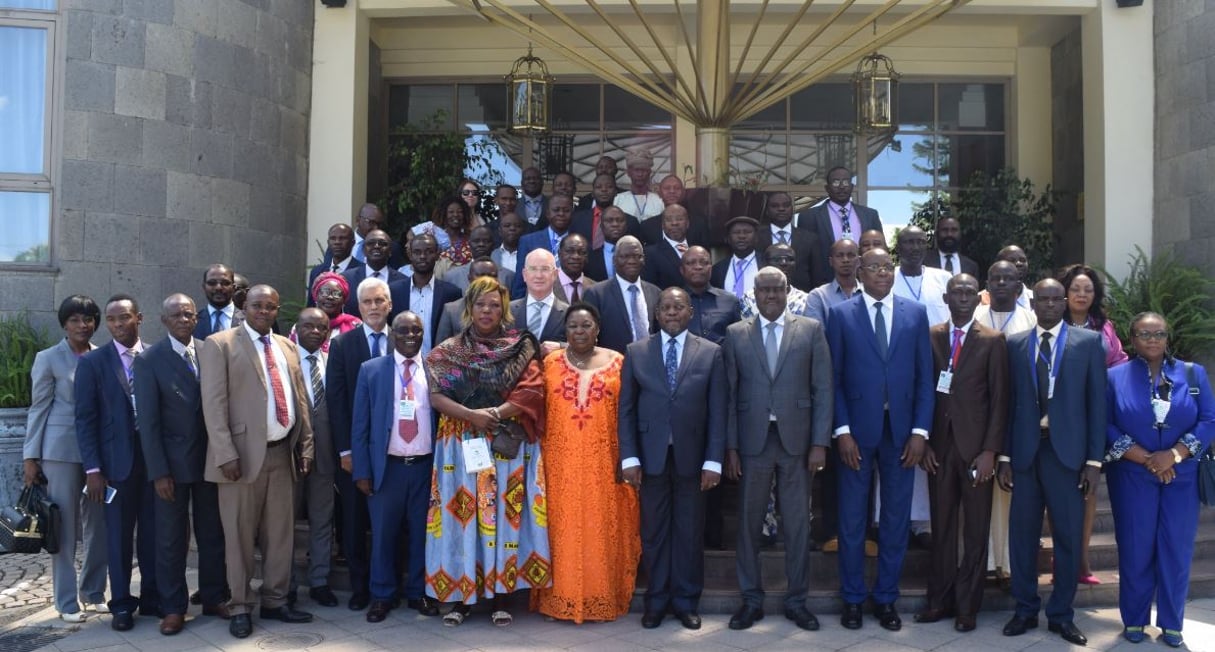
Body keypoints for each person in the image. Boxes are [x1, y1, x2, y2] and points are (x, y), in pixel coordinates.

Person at [425, 277, 549, 627]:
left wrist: (492, 415)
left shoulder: (521, 346)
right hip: (460, 446)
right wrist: (471, 416)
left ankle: (501, 596)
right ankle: (462, 598)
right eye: (481, 304)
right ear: (469, 308)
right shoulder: (448, 351)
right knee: (463, 516)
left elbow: (532, 393)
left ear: (504, 309)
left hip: (506, 443)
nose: (488, 311)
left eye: (495, 305)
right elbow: (436, 396)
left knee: (504, 517)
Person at [827, 248, 934, 632]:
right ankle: (853, 598)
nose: (882, 273)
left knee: (894, 518)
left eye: (887, 267)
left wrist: (921, 431)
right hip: (856, 432)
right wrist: (841, 430)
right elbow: (833, 379)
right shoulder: (841, 315)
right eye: (873, 267)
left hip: (903, 434)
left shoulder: (914, 313)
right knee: (853, 519)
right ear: (859, 272)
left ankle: (886, 598)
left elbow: (925, 377)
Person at [201, 285, 315, 639]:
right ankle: (239, 605)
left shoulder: (287, 346)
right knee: (238, 536)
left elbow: (300, 400)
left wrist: (306, 447)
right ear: (244, 307)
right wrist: (225, 454)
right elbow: (213, 404)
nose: (263, 311)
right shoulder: (220, 343)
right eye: (256, 305)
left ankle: (276, 601)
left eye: (270, 306)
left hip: (282, 452)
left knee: (280, 535)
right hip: (239, 458)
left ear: (277, 309)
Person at [723, 268, 833, 632]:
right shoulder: (736, 335)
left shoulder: (810, 330)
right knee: (749, 524)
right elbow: (729, 396)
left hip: (797, 443)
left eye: (777, 289)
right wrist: (732, 448)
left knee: (798, 525)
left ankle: (797, 601)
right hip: (753, 442)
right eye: (764, 289)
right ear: (754, 293)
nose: (770, 295)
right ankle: (750, 600)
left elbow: (823, 390)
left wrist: (819, 443)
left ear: (787, 291)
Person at [997, 278, 1105, 646]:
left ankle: (1061, 614)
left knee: (1068, 536)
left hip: (1068, 456)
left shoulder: (1088, 343)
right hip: (1026, 453)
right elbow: (1007, 404)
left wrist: (1094, 460)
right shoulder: (1014, 344)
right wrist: (1006, 456)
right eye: (1041, 299)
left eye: (1055, 299)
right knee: (1022, 536)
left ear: (1064, 303)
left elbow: (1097, 405)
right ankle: (1025, 609)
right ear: (1033, 303)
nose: (1048, 305)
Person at [1105, 312, 1215, 648]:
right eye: (1144, 333)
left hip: (1180, 477)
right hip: (1132, 476)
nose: (1152, 340)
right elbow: (1106, 423)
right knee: (1136, 548)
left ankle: (1171, 622)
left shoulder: (1193, 373)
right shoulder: (1114, 377)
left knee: (1176, 548)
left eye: (1159, 334)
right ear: (1132, 338)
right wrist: (1146, 458)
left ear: (1168, 338)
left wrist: (1175, 455)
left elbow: (1209, 419)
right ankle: (1135, 620)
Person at [619, 287, 726, 630]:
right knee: (653, 532)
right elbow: (627, 411)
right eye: (665, 308)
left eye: (678, 307)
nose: (672, 313)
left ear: (690, 313)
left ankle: (684, 601)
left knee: (689, 532)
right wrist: (629, 458)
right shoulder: (636, 352)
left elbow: (717, 412)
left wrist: (713, 461)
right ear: (657, 313)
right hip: (649, 458)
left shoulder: (710, 352)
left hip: (693, 459)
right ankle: (656, 601)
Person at [532, 303, 641, 623]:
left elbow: (630, 414)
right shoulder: (550, 363)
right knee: (559, 530)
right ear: (564, 332)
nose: (579, 332)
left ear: (598, 329)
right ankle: (558, 599)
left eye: (586, 326)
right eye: (573, 327)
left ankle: (599, 596)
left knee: (600, 529)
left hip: (604, 463)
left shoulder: (618, 363)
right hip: (559, 463)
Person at [915, 274, 1008, 633]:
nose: (964, 298)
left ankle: (968, 607)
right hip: (938, 448)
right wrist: (922, 441)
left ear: (978, 298)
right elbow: (923, 388)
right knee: (942, 528)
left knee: (974, 530)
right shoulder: (932, 335)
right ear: (946, 296)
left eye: (970, 292)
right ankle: (938, 601)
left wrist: (990, 452)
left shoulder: (993, 341)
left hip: (976, 451)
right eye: (958, 292)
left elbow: (1000, 401)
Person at [134, 294, 229, 635]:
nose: (184, 320)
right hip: (171, 469)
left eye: (189, 314)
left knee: (212, 533)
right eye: (176, 315)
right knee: (171, 540)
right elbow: (148, 422)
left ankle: (215, 595)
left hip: (210, 461)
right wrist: (158, 471)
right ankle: (173, 607)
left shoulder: (210, 351)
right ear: (163, 320)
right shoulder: (149, 360)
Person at [23, 295, 109, 622]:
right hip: (60, 453)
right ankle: (66, 601)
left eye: (88, 319)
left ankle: (94, 591)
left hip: (99, 454)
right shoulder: (48, 358)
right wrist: (31, 457)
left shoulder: (103, 356)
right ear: (64, 323)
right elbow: (39, 408)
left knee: (98, 525)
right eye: (75, 319)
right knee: (65, 528)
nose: (82, 325)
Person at [351, 311, 441, 622]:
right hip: (386, 469)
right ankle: (382, 595)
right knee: (383, 535)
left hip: (424, 467)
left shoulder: (434, 369)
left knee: (422, 534)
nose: (410, 335)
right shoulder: (372, 370)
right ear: (392, 334)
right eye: (403, 330)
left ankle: (418, 592)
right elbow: (360, 425)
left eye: (416, 330)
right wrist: (362, 470)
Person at [75, 294, 158, 631]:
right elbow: (85, 419)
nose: (118, 324)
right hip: (114, 465)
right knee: (119, 537)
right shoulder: (93, 363)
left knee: (154, 533)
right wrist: (93, 469)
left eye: (125, 317)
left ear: (139, 317)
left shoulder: (155, 356)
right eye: (112, 319)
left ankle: (153, 597)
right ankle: (122, 604)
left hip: (154, 462)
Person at [1058, 262, 1128, 586]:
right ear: (1065, 292)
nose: (1082, 294)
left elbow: (1118, 364)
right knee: (1057, 490)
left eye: (1088, 289)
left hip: (1094, 418)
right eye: (1076, 289)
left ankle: (1082, 562)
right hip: (1058, 418)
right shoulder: (1052, 322)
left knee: (1088, 492)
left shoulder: (1104, 326)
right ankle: (1059, 559)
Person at [326, 277, 394, 611]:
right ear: (358, 307)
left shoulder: (406, 339)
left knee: (389, 522)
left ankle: (389, 585)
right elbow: (336, 403)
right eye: (367, 302)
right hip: (356, 449)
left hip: (396, 450)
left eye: (380, 300)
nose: (374, 307)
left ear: (390, 305)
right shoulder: (342, 345)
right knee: (353, 520)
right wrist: (345, 451)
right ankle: (359, 586)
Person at [972, 259, 1036, 587]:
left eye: (1007, 278)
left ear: (1018, 284)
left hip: (1020, 417)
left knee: (1010, 493)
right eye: (994, 277)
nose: (1000, 283)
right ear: (987, 282)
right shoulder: (974, 317)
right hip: (981, 418)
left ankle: (1008, 564)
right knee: (981, 493)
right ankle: (981, 563)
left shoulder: (1031, 319)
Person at [891, 225, 951, 550]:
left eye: (919, 242)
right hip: (899, 372)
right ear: (897, 247)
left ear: (926, 245)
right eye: (907, 242)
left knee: (931, 442)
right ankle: (899, 520)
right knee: (903, 445)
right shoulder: (888, 279)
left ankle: (926, 522)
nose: (913, 247)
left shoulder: (942, 279)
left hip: (941, 373)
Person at [288, 308, 338, 609]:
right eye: (309, 326)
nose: (316, 332)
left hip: (326, 457)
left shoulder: (332, 362)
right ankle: (288, 584)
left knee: (323, 520)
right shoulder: (283, 360)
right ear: (297, 328)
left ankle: (320, 581)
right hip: (290, 456)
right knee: (285, 523)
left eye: (322, 327)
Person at [797, 167, 883, 280]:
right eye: (836, 182)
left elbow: (880, 250)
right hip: (826, 285)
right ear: (827, 188)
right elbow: (804, 258)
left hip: (865, 282)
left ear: (852, 187)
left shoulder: (870, 215)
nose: (841, 186)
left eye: (846, 182)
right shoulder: (809, 217)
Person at [583, 236, 660, 354]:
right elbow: (588, 336)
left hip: (649, 363)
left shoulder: (655, 292)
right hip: (613, 364)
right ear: (614, 260)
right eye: (625, 256)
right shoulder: (596, 294)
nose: (631, 261)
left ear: (643, 259)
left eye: (636, 256)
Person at [394, 232, 463, 353]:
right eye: (417, 252)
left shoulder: (451, 293)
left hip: (439, 364)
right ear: (410, 255)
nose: (422, 256)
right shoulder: (395, 291)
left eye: (429, 251)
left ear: (437, 254)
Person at [756, 192, 823, 292]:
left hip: (802, 298)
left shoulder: (810, 239)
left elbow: (818, 275)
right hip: (766, 297)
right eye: (775, 206)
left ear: (792, 209)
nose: (781, 209)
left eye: (786, 205)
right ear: (767, 211)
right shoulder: (756, 238)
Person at [512, 193, 575, 298]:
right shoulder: (528, 241)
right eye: (556, 210)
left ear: (572, 213)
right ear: (548, 213)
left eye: (566, 210)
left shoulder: (580, 242)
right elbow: (520, 281)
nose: (561, 213)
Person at [681, 245, 740, 347]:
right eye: (691, 263)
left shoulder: (730, 301)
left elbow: (738, 340)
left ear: (711, 268)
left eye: (704, 263)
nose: (698, 267)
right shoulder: (673, 303)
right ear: (682, 270)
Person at [291, 272, 362, 353]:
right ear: (316, 296)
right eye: (325, 292)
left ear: (344, 300)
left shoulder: (356, 326)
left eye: (336, 294)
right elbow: (291, 355)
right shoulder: (302, 325)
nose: (330, 297)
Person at [435, 258, 502, 344]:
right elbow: (440, 350)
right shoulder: (451, 310)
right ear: (469, 278)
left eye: (491, 275)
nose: (486, 280)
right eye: (480, 275)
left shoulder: (506, 308)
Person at [510, 249, 569, 344]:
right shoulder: (509, 310)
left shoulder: (568, 313)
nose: (539, 275)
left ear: (555, 274)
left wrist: (561, 346)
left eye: (545, 269)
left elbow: (579, 348)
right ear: (524, 275)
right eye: (533, 269)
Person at [341, 229, 407, 315]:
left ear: (390, 251)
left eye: (382, 244)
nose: (376, 246)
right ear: (364, 251)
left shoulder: (403, 281)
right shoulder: (346, 279)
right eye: (371, 243)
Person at [573, 172, 640, 250]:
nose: (604, 189)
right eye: (599, 187)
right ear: (592, 193)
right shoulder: (577, 219)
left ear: (616, 192)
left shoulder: (631, 221)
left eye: (609, 186)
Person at [740, 244, 809, 318]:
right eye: (777, 259)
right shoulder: (749, 299)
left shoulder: (805, 300)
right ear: (764, 263)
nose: (783, 263)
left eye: (789, 259)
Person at [804, 237, 861, 327]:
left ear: (858, 261)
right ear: (831, 261)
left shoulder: (869, 293)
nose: (845, 260)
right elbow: (815, 335)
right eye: (839, 255)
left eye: (851, 255)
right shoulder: (818, 296)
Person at [642, 204, 692, 290]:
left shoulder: (698, 248)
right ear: (662, 225)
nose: (674, 223)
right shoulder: (650, 254)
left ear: (687, 223)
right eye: (669, 220)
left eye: (679, 219)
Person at [443, 228, 511, 291]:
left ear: (493, 244)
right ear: (469, 244)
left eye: (486, 241)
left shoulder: (508, 276)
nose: (481, 244)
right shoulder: (452, 276)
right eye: (476, 241)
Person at [308, 224, 358, 307]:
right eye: (333, 238)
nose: (337, 242)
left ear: (353, 243)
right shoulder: (316, 272)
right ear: (328, 242)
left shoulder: (361, 271)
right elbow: (311, 305)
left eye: (342, 238)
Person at [711, 216, 760, 300]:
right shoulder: (717, 269)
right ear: (728, 239)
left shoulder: (767, 264)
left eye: (747, 232)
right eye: (736, 232)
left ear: (756, 237)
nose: (741, 236)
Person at [428, 196, 475, 279]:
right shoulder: (434, 238)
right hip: (440, 285)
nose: (456, 215)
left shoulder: (471, 238)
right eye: (451, 212)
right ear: (444, 214)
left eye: (460, 212)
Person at [613, 148, 663, 221]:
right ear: (628, 172)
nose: (640, 174)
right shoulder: (618, 200)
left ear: (649, 172)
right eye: (636, 170)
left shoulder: (658, 200)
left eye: (644, 170)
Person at [585, 205, 630, 282]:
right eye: (609, 221)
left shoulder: (637, 256)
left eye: (620, 220)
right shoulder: (590, 258)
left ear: (626, 225)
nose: (615, 224)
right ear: (601, 226)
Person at [194, 264, 236, 339]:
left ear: (233, 287)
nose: (218, 287)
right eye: (212, 283)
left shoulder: (247, 320)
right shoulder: (193, 321)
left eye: (225, 283)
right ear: (204, 287)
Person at [554, 233, 594, 302]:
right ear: (559, 254)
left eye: (581, 252)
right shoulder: (546, 285)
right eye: (569, 251)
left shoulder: (595, 288)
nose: (576, 257)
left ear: (587, 256)